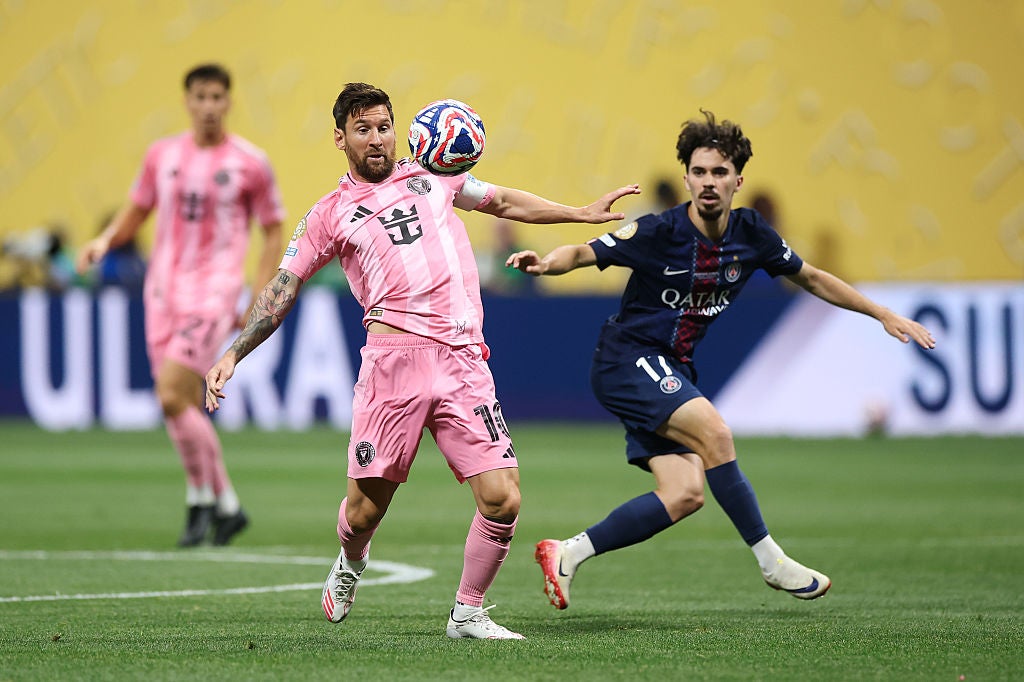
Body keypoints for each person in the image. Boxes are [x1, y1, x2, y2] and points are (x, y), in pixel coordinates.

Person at [204, 82, 639, 639]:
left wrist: (579, 213)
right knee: (363, 512)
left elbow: (503, 201)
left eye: (384, 127)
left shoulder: (434, 173)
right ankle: (351, 561)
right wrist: (234, 352)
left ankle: (468, 612)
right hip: (393, 366)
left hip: (463, 360)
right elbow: (282, 288)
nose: (377, 139)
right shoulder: (329, 215)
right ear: (340, 138)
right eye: (363, 129)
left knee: (503, 498)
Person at [506, 109, 936, 611]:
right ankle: (772, 561)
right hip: (628, 359)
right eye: (699, 172)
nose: (709, 182)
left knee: (685, 494)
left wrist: (882, 313)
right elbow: (582, 254)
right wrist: (545, 264)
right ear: (687, 178)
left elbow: (813, 278)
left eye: (719, 172)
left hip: (672, 368)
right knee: (717, 434)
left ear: (737, 181)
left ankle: (568, 552)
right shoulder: (659, 231)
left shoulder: (751, 234)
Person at [76, 63, 285, 547]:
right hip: (162, 291)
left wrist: (259, 293)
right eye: (200, 97)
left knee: (170, 393)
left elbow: (273, 229)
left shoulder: (251, 162)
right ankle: (223, 505)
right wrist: (105, 240)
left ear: (228, 101)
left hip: (213, 292)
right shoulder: (162, 155)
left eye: (217, 97)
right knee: (183, 405)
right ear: (187, 101)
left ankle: (205, 498)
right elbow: (138, 208)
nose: (209, 106)